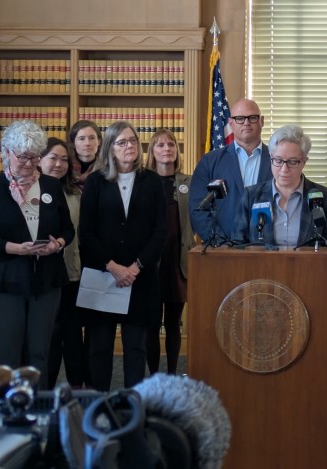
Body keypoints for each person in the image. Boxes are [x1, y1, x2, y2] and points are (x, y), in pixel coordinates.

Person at [0, 120, 74, 390]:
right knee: (7, 354)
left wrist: (58, 244)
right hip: (6, 279)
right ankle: (7, 406)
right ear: (7, 153)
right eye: (22, 157)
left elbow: (68, 229)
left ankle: (37, 406)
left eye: (34, 157)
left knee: (39, 352)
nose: (29, 164)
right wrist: (15, 248)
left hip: (46, 279)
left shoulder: (51, 186)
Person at [78, 121, 167, 391]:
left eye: (133, 141)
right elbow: (86, 232)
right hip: (103, 274)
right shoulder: (95, 181)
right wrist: (113, 266)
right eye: (122, 142)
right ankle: (99, 403)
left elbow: (160, 231)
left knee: (136, 348)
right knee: (99, 348)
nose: (129, 146)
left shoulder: (152, 181)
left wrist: (135, 267)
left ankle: (132, 404)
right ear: (110, 148)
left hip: (140, 278)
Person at [37, 137, 90, 389]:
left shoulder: (76, 194)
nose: (58, 164)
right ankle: (45, 389)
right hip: (42, 276)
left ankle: (76, 386)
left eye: (64, 160)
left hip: (72, 274)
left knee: (72, 334)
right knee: (49, 335)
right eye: (53, 158)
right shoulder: (30, 192)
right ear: (39, 160)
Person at [233, 124, 327, 247]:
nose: (284, 169)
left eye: (292, 162)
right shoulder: (251, 196)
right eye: (278, 160)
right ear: (271, 158)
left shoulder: (322, 196)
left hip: (307, 260)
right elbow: (238, 244)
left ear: (304, 162)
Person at [145, 128, 195, 375]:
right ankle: (154, 377)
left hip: (177, 261)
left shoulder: (189, 182)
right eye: (161, 145)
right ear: (152, 152)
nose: (167, 149)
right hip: (151, 262)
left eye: (171, 145)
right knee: (151, 325)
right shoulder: (143, 182)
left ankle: (172, 374)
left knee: (174, 323)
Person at [190, 99, 273, 247]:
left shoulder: (278, 161)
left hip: (268, 248)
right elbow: (198, 209)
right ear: (230, 123)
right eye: (239, 118)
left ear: (262, 121)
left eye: (252, 118)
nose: (246, 123)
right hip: (222, 249)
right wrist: (220, 243)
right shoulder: (210, 162)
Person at [69, 120, 101, 190]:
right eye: (82, 139)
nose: (87, 143)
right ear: (73, 143)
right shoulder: (66, 167)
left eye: (92, 138)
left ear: (99, 141)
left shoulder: (107, 168)